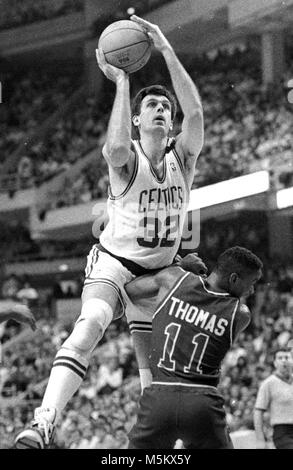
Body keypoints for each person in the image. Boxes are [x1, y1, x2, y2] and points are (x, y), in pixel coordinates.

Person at [14, 14, 204, 449]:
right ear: (137, 120)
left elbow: (194, 110)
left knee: (157, 367)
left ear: (171, 125)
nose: (162, 110)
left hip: (158, 272)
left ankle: (157, 442)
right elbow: (115, 146)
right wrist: (121, 82)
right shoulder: (127, 158)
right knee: (91, 322)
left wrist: (167, 50)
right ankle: (44, 422)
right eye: (152, 106)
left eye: (165, 108)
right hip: (116, 265)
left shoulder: (184, 158)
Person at [125, 246, 263, 449]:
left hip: (160, 396)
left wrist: (180, 267)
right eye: (251, 283)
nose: (251, 291)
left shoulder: (173, 279)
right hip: (202, 402)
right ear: (233, 279)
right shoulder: (240, 314)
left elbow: (129, 291)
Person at [254, 348, 293, 449]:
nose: (284, 360)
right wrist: (260, 439)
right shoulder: (268, 383)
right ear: (275, 363)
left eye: (287, 357)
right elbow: (258, 412)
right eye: (280, 358)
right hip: (283, 432)